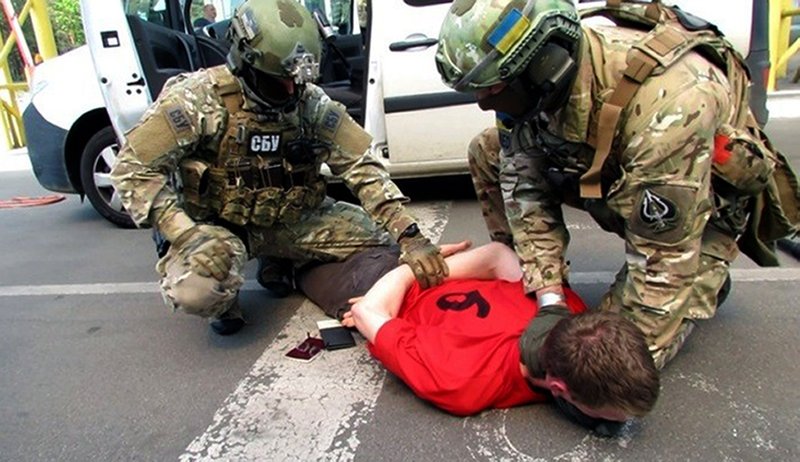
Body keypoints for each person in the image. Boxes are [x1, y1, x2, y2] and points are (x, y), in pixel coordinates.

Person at [434, 0, 800, 369]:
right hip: (616, 173)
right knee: (488, 149)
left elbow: (660, 260)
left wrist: (607, 373)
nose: (483, 104)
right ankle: (523, 279)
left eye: (492, 90)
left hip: (696, 209)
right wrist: (549, 301)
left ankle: (706, 271)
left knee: (605, 366)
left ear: (545, 63)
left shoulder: (671, 105)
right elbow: (523, 185)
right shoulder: (536, 88)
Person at [110, 0, 446, 336]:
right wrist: (185, 233)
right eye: (277, 82)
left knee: (387, 242)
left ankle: (281, 263)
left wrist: (409, 235)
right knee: (197, 289)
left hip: (295, 220)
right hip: (220, 227)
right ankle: (225, 301)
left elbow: (362, 166)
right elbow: (133, 168)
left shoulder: (309, 102)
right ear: (244, 63)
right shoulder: (196, 99)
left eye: (295, 81)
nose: (289, 91)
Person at [298, 242, 660, 436]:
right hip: (383, 278)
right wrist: (420, 270)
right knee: (297, 261)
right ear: (560, 388)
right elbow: (366, 315)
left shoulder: (568, 312)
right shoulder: (465, 380)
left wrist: (422, 274)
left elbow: (495, 259)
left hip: (388, 277)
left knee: (315, 261)